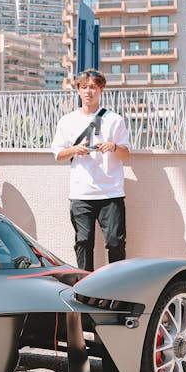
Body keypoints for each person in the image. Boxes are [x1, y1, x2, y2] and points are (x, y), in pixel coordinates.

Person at [52, 69, 131, 271]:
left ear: (101, 89)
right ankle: (86, 284)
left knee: (115, 242)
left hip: (111, 192)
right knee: (83, 242)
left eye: (93, 87)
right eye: (84, 87)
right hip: (81, 193)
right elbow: (58, 154)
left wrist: (113, 146)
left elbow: (125, 154)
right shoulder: (67, 120)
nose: (88, 91)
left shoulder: (114, 120)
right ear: (78, 90)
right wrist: (75, 149)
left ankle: (118, 283)